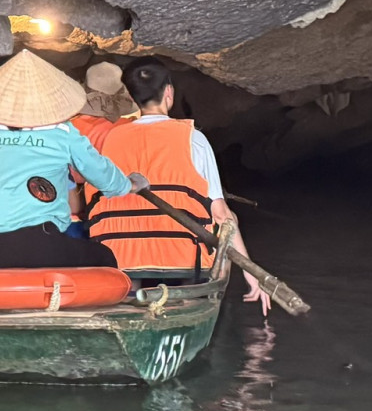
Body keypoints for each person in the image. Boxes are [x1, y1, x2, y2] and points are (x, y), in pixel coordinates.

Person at [0, 50, 135, 270]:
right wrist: (130, 184)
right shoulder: (62, 130)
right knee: (104, 257)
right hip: (38, 246)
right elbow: (105, 177)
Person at [82, 60, 251, 278]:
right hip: (185, 259)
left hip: (117, 259)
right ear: (169, 92)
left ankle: (128, 291)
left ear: (132, 99)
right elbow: (221, 214)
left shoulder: (110, 140)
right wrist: (252, 275)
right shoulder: (193, 138)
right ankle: (195, 292)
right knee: (230, 221)